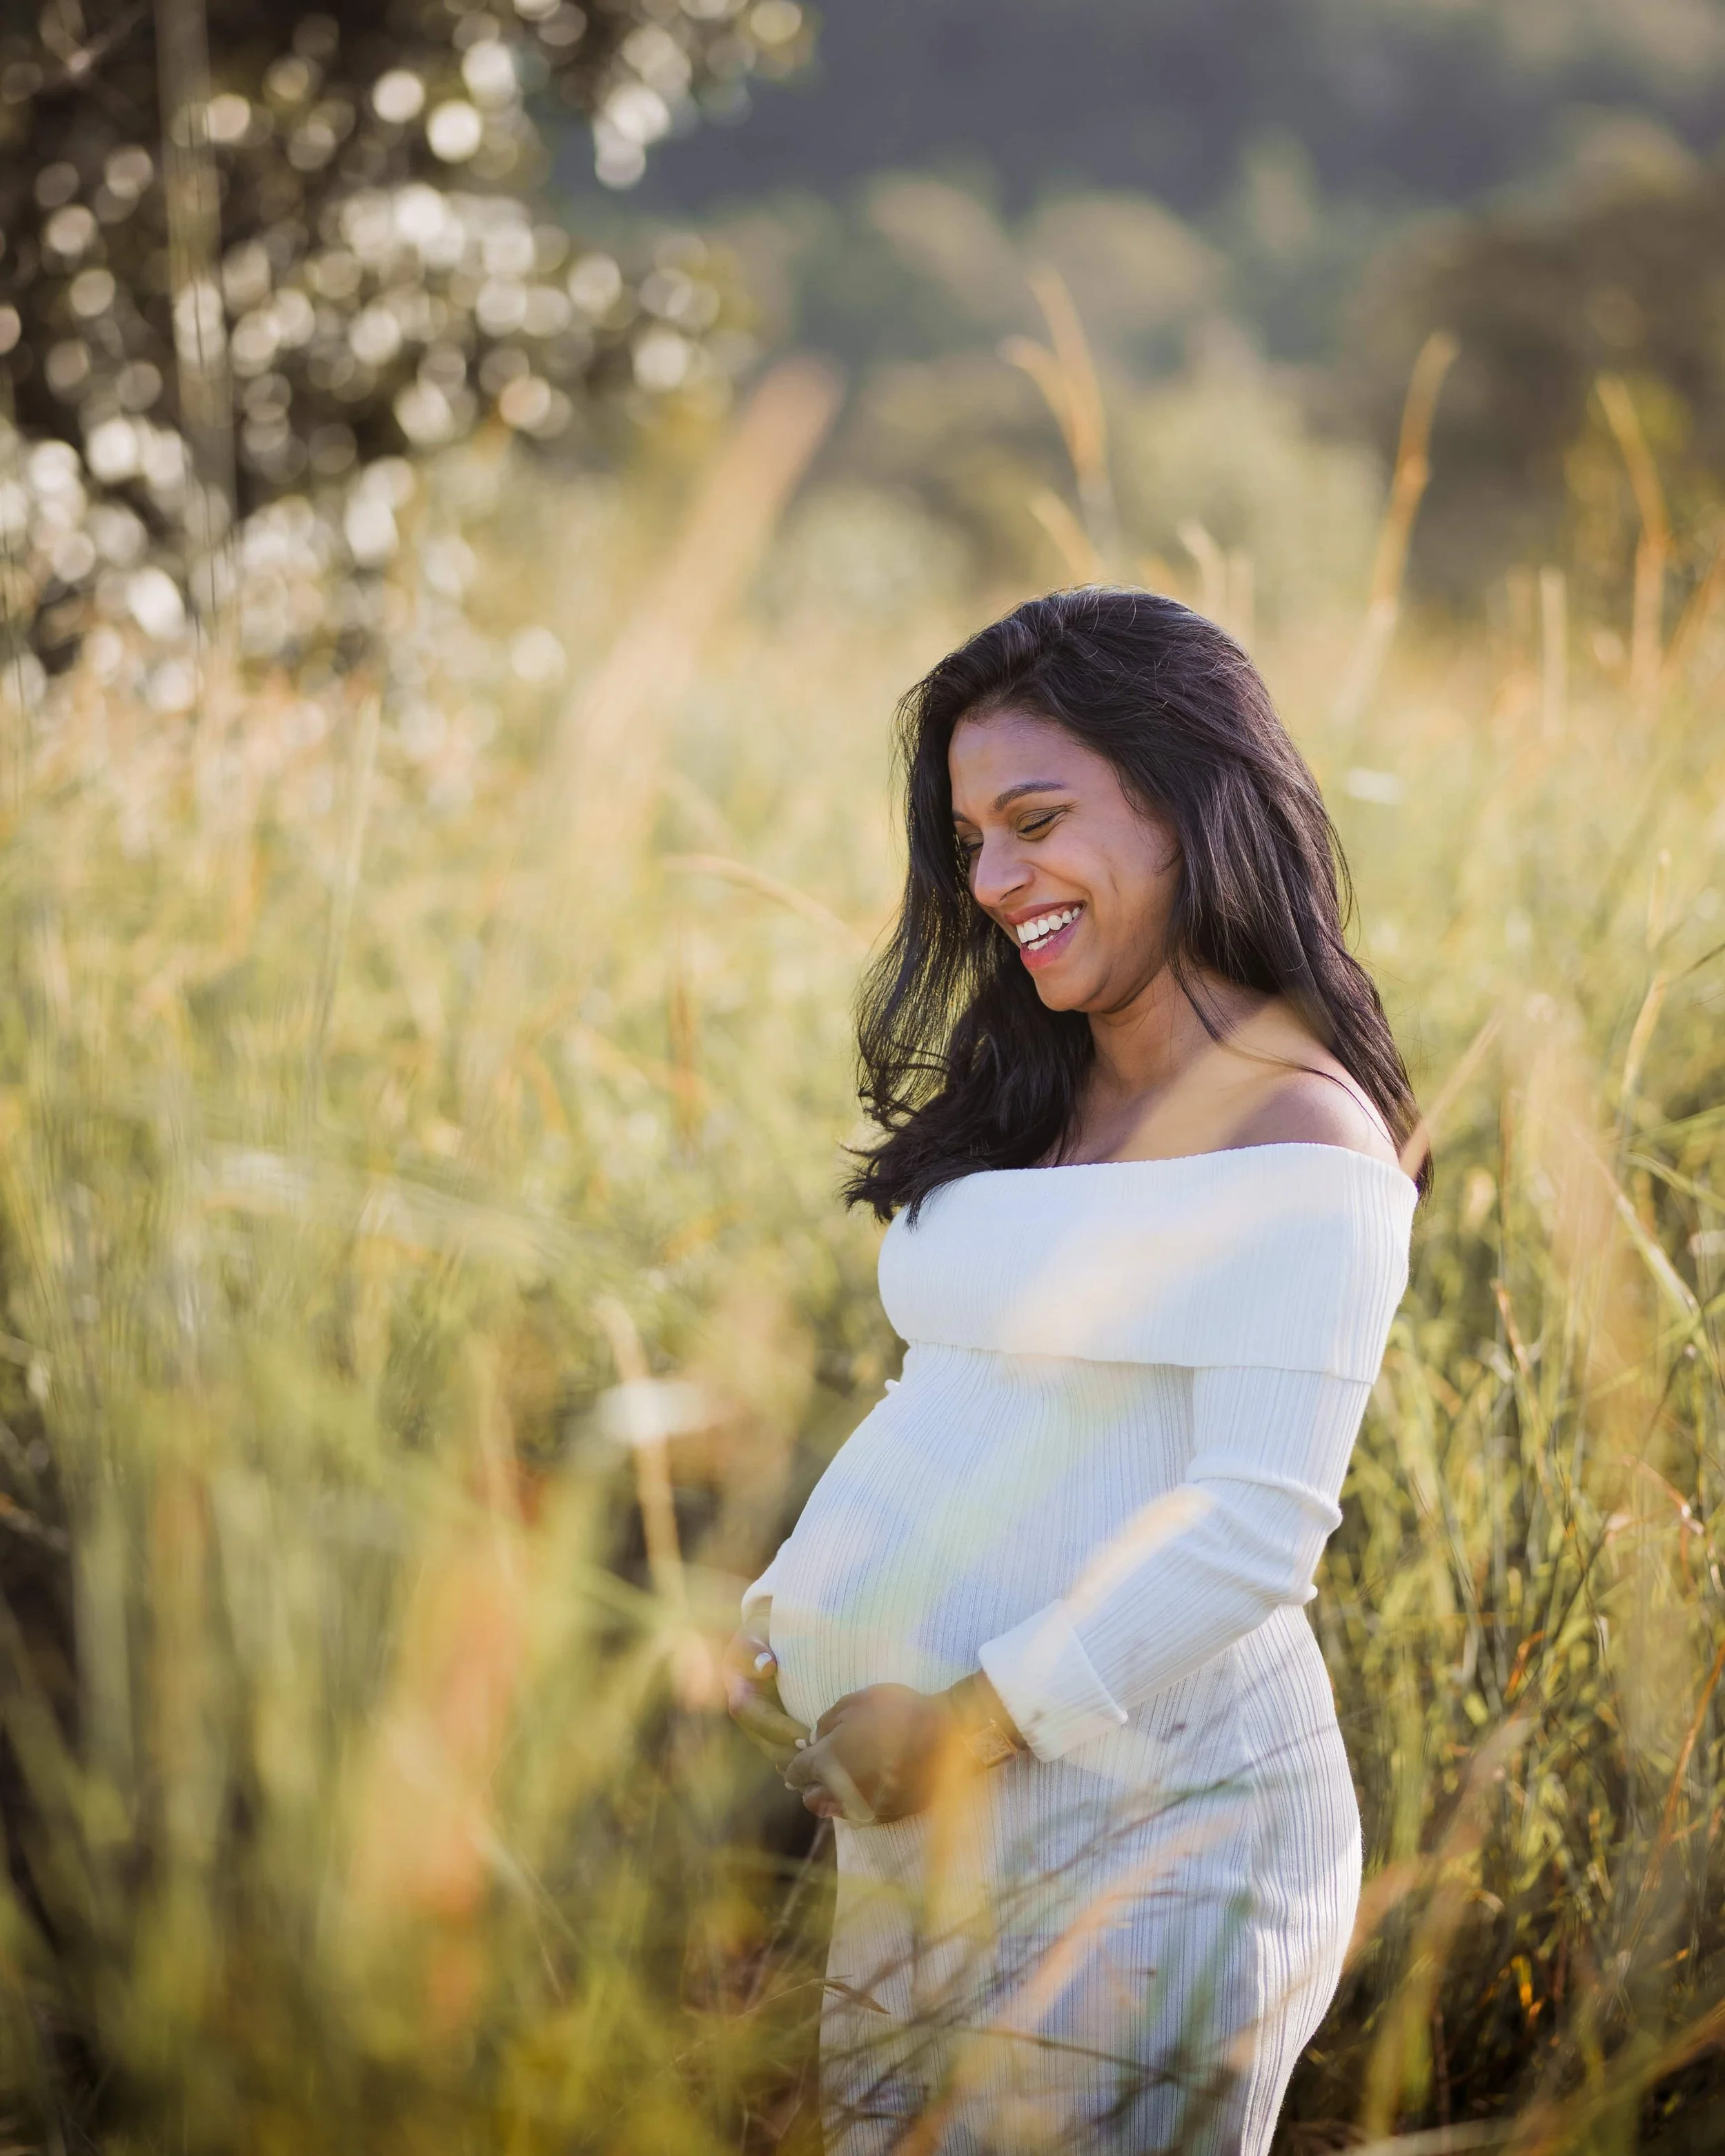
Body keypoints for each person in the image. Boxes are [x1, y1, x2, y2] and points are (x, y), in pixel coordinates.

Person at [725, 588, 1422, 2155]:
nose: (990, 880)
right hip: (923, 1826)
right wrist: (784, 1612)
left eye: (1034, 821)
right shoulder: (1031, 1088)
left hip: (1152, 1824)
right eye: (969, 838)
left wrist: (962, 1717)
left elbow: (1248, 1529)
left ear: (1184, 797)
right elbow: (967, 1391)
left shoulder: (1298, 1134)